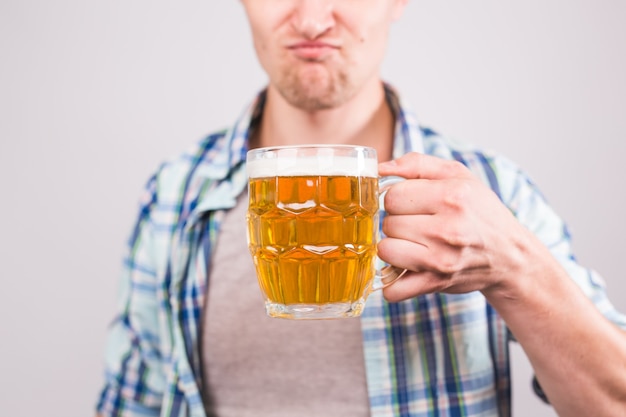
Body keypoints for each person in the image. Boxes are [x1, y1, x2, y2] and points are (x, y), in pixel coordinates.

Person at [96, 1, 626, 416]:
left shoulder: (492, 192)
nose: (310, 18)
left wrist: (517, 269)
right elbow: (129, 406)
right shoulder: (173, 195)